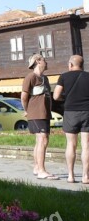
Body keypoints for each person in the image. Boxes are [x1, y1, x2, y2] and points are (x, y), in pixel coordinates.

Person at [53, 55, 89, 184]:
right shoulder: (88, 76)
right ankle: (86, 177)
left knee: (71, 145)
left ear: (70, 65)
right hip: (87, 112)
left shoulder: (64, 76)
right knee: (86, 146)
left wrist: (66, 98)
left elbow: (56, 96)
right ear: (82, 65)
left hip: (70, 113)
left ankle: (71, 176)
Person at [21, 54, 57, 180]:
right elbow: (24, 97)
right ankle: (41, 170)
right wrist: (27, 110)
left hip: (45, 113)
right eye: (44, 60)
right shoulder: (30, 77)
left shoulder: (45, 79)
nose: (46, 62)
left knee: (42, 140)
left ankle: (37, 167)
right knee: (42, 139)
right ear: (38, 61)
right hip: (36, 113)